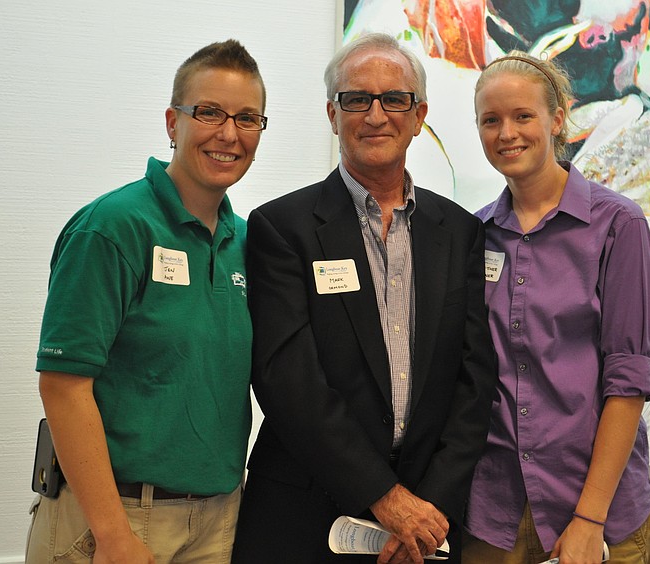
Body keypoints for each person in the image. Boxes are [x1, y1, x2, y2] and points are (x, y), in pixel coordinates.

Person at [231, 33, 497, 564]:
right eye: (357, 99)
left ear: (419, 115)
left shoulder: (460, 231)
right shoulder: (281, 228)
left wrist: (427, 511)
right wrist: (384, 498)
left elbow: (474, 382)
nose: (376, 114)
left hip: (427, 525)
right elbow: (288, 380)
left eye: (394, 99)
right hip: (306, 519)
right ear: (333, 114)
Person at [26, 39, 266, 563]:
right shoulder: (112, 228)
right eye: (209, 112)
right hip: (117, 520)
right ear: (172, 122)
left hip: (218, 519)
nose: (229, 133)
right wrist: (113, 535)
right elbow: (64, 386)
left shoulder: (247, 243)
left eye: (247, 118)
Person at [462, 52, 650, 564]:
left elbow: (628, 380)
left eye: (522, 116)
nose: (507, 133)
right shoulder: (473, 235)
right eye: (491, 120)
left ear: (556, 118)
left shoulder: (619, 225)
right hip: (495, 510)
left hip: (599, 512)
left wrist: (589, 519)